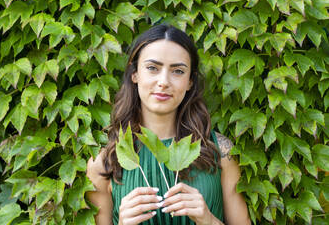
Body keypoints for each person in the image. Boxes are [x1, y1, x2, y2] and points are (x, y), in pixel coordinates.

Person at [86, 24, 251, 225]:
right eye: (152, 68)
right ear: (134, 74)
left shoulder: (219, 151)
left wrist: (208, 220)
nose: (164, 81)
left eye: (178, 71)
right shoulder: (105, 161)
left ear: (190, 81)